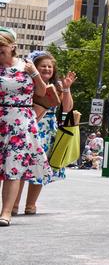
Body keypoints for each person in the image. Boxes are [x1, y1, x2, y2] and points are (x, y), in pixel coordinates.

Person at [0, 28, 51, 226]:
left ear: (12, 46)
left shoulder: (26, 66)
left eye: (2, 46)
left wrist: (36, 73)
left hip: (21, 121)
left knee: (13, 167)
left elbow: (42, 91)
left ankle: (6, 213)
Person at [16, 51, 76, 216]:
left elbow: (67, 108)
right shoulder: (27, 83)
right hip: (28, 127)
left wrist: (67, 88)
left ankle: (30, 205)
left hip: (47, 130)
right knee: (21, 167)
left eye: (50, 66)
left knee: (40, 168)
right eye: (43, 66)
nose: (47, 69)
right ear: (35, 67)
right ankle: (13, 205)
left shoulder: (57, 86)